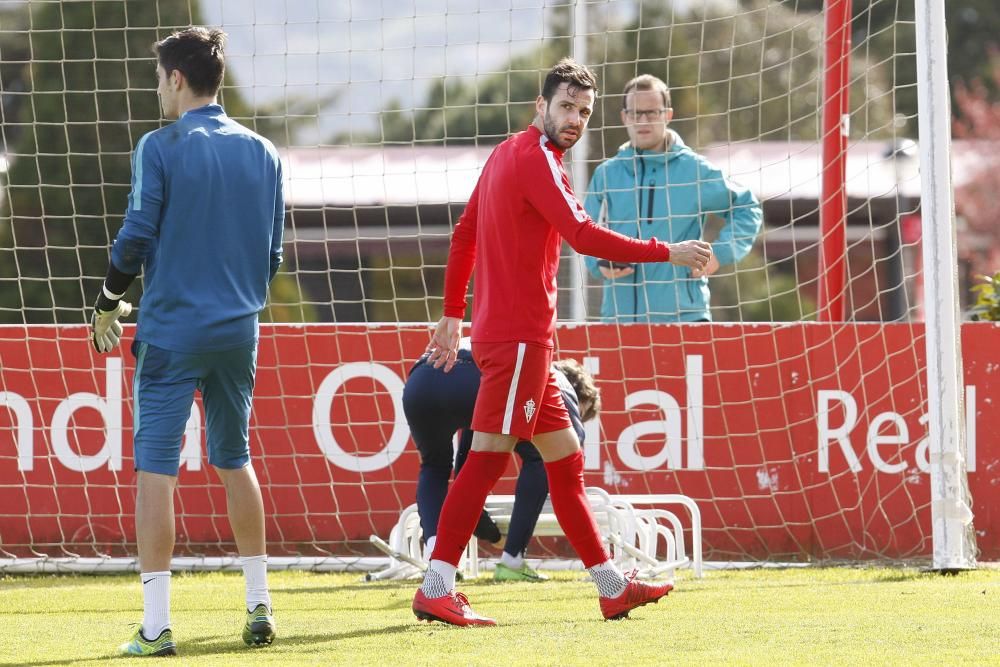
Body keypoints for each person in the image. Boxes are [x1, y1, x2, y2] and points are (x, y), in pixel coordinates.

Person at [411, 58, 712, 627]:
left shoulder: (504, 154)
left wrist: (454, 315)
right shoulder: (539, 161)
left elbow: (466, 233)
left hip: (524, 343)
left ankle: (611, 586)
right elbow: (581, 233)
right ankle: (437, 584)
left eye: (584, 112)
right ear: (541, 107)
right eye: (566, 107)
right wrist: (666, 251)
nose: (574, 119)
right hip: (520, 342)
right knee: (484, 461)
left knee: (566, 465)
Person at [89, 27, 284, 657]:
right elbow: (274, 253)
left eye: (158, 79)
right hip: (240, 330)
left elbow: (136, 232)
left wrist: (108, 299)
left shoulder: (160, 146)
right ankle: (259, 610)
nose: (157, 91)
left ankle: (156, 625)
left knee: (156, 472)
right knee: (235, 459)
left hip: (172, 331)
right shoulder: (265, 152)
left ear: (176, 78)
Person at [403, 340, 601, 582]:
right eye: (582, 412)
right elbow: (569, 463)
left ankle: (438, 559)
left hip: (421, 377)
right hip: (473, 377)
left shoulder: (516, 367)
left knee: (434, 468)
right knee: (539, 459)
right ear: (579, 395)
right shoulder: (556, 382)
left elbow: (466, 470)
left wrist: (490, 532)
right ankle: (513, 559)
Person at [583, 74, 762, 322]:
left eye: (652, 112)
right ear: (624, 117)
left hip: (684, 319)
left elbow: (747, 207)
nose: (643, 120)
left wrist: (720, 253)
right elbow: (583, 231)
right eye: (635, 113)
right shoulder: (606, 174)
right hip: (618, 320)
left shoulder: (695, 170)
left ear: (668, 115)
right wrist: (597, 263)